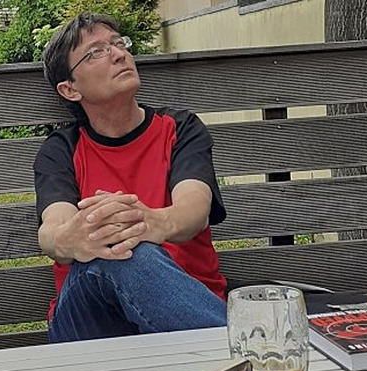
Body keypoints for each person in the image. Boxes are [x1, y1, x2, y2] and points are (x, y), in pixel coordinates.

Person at [34, 12, 227, 343]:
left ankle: (225, 346)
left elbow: (193, 210)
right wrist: (74, 238)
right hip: (88, 325)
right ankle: (235, 349)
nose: (118, 54)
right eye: (95, 52)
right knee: (118, 252)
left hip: (185, 309)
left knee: (125, 247)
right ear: (70, 88)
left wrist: (145, 224)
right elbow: (53, 229)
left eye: (118, 43)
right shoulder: (61, 150)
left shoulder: (180, 130)